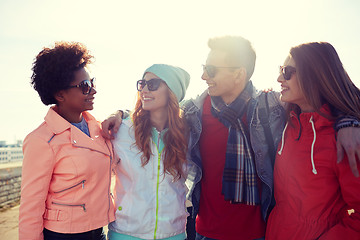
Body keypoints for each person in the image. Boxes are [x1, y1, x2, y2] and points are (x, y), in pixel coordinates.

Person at [102, 36, 360, 240]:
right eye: (205, 68)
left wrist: (350, 120)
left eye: (211, 70)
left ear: (239, 73)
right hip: (205, 232)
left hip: (258, 233)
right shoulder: (193, 113)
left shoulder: (272, 110)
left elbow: (328, 95)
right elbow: (159, 111)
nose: (204, 77)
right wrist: (120, 113)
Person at [19, 42, 115, 240]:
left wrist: (120, 114)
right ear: (60, 94)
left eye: (92, 83)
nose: (93, 91)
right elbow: (31, 206)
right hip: (63, 235)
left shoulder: (98, 128)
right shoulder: (41, 140)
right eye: (85, 86)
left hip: (98, 231)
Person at [265, 42, 360, 239]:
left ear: (315, 76)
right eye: (280, 70)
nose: (279, 78)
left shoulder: (345, 139)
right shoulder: (288, 122)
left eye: (287, 71)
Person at [107, 64, 190, 240]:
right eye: (142, 84)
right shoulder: (122, 131)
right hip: (126, 233)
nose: (144, 89)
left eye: (152, 84)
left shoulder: (187, 136)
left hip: (173, 234)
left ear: (171, 91)